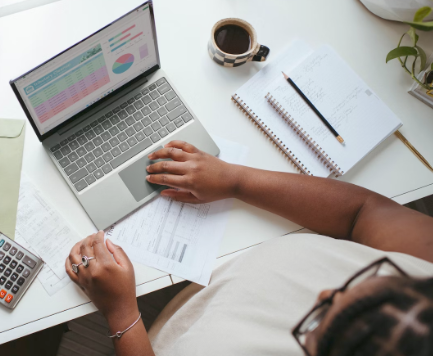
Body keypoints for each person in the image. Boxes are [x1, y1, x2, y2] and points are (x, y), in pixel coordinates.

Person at [65, 141, 433, 356]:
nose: (323, 292)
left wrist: (121, 314)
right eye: (377, 274)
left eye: (319, 321)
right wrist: (235, 180)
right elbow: (364, 213)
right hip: (211, 280)